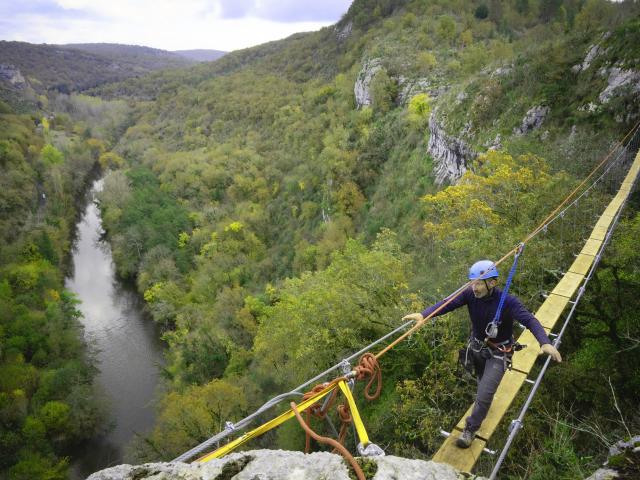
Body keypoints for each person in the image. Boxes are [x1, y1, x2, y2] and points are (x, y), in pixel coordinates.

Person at [402, 259, 562, 448]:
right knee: (480, 383)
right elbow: (448, 303)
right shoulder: (469, 295)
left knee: (484, 393)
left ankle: (470, 429)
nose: (474, 287)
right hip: (477, 349)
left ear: (492, 283)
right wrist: (424, 315)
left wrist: (545, 342)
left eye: (478, 283)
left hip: (499, 353)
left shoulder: (508, 302)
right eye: (472, 282)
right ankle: (481, 405)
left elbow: (530, 320)